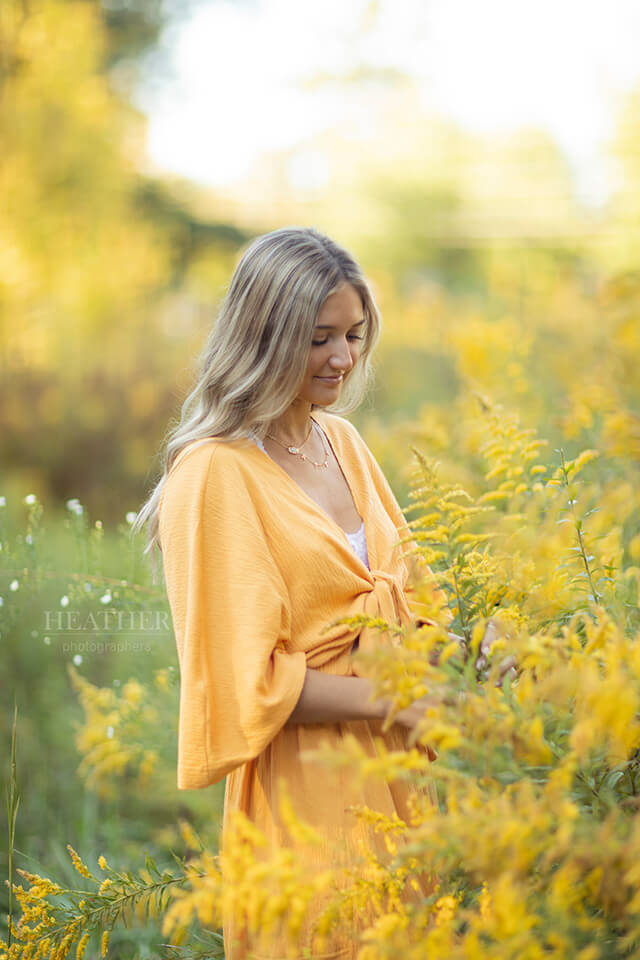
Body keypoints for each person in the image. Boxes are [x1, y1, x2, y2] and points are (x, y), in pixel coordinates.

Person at [134, 226, 466, 959]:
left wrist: (480, 643)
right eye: (318, 338)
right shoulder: (213, 474)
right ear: (265, 334)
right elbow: (243, 681)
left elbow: (417, 601)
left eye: (353, 335)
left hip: (410, 779)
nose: (343, 359)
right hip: (311, 796)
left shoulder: (344, 442)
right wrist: (394, 698)